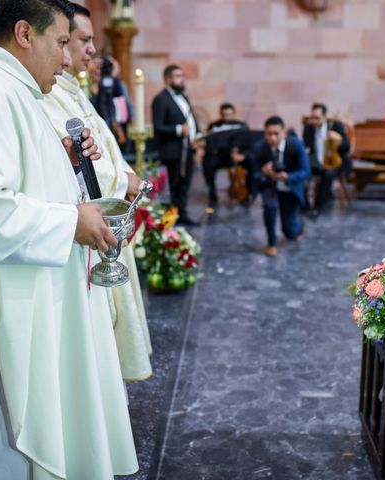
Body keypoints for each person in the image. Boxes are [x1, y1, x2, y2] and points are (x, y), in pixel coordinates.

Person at [0, 1, 139, 478]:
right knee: (9, 441)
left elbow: (10, 178)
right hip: (1, 312)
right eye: (60, 42)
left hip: (22, 292)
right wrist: (69, 223)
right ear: (23, 34)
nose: (66, 59)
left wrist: (62, 163)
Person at [39, 3, 153, 382]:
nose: (91, 50)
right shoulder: (47, 94)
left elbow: (98, 148)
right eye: (83, 40)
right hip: (86, 232)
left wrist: (123, 174)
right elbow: (76, 160)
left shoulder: (70, 89)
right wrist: (123, 181)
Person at [251, 115, 311, 257]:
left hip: (290, 188)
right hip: (269, 186)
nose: (272, 138)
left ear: (284, 132)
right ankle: (271, 243)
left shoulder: (296, 144)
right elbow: (253, 174)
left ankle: (298, 226)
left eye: (276, 134)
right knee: (269, 208)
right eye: (269, 134)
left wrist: (288, 176)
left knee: (290, 232)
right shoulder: (259, 148)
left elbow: (306, 171)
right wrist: (263, 172)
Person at [151, 64, 199, 226]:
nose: (182, 79)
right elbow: (158, 126)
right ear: (168, 79)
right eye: (178, 76)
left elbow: (190, 121)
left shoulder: (183, 97)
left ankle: (182, 213)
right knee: (174, 184)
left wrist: (197, 135)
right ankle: (171, 217)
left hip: (188, 149)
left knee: (185, 184)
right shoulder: (161, 99)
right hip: (172, 151)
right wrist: (179, 130)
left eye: (182, 76)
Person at [302, 102, 350, 215]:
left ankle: (319, 206)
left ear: (324, 117)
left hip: (334, 162)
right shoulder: (309, 128)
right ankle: (306, 206)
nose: (314, 121)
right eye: (312, 118)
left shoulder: (335, 126)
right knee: (302, 173)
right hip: (316, 162)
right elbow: (305, 147)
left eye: (317, 118)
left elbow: (346, 147)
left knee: (327, 174)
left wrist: (338, 140)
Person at [202, 102, 250, 208]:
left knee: (251, 160)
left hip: (236, 155)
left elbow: (248, 143)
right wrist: (212, 149)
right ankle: (212, 193)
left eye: (229, 114)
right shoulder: (214, 126)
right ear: (220, 114)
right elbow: (209, 144)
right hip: (220, 156)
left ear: (234, 114)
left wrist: (240, 153)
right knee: (208, 162)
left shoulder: (242, 125)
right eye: (224, 115)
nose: (226, 117)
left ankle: (247, 193)